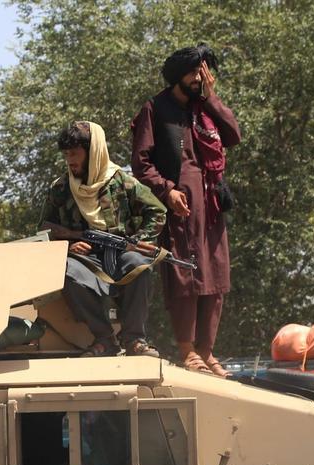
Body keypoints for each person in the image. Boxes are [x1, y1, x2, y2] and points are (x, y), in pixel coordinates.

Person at [132, 43, 240, 377]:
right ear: (179, 75)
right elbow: (141, 163)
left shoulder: (204, 107)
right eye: (195, 72)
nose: (200, 78)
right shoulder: (155, 108)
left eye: (205, 71)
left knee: (216, 276)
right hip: (181, 204)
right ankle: (188, 351)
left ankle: (207, 353)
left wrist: (211, 97)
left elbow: (233, 135)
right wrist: (167, 191)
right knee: (186, 276)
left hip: (211, 200)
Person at [40, 121, 167, 357]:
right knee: (66, 271)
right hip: (84, 259)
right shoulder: (61, 188)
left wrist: (139, 240)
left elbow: (157, 211)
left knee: (139, 266)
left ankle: (134, 340)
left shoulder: (121, 182)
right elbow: (44, 229)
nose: (70, 160)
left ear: (93, 152)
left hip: (121, 253)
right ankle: (104, 339)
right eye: (67, 154)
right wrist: (69, 245)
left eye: (75, 153)